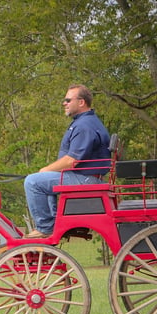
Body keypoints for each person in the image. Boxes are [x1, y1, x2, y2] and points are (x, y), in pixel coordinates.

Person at [23, 84, 111, 239]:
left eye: (68, 100)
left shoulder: (85, 125)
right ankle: (54, 223)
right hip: (87, 177)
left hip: (85, 179)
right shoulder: (86, 121)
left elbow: (72, 160)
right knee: (44, 181)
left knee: (32, 182)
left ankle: (44, 227)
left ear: (81, 102)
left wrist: (45, 169)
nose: (64, 103)